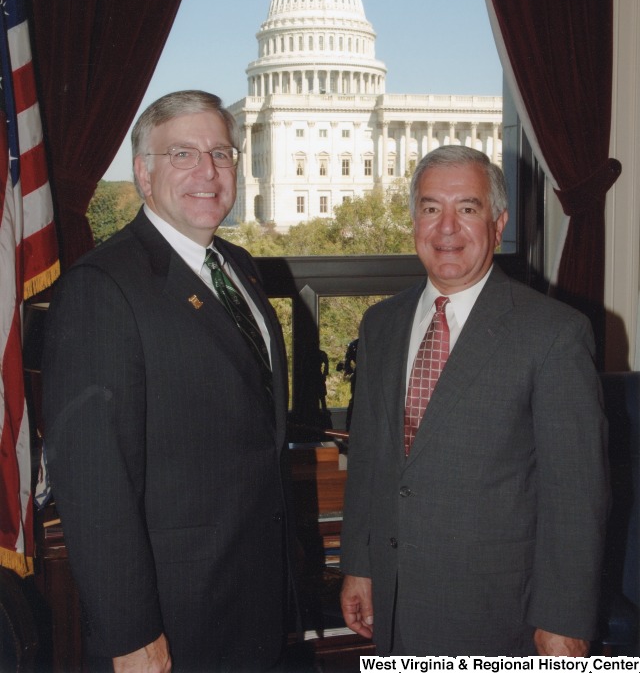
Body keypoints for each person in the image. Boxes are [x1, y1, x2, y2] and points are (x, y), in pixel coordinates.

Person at [42, 91, 293, 672]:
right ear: (143, 173)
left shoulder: (239, 266)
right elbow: (94, 482)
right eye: (183, 154)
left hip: (257, 601)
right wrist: (130, 633)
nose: (208, 172)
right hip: (175, 620)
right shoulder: (103, 288)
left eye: (221, 154)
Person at [339, 146, 609, 657]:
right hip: (395, 601)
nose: (446, 228)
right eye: (430, 207)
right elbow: (372, 462)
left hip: (501, 612)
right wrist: (359, 564)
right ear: (413, 219)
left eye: (467, 208)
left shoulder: (553, 334)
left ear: (498, 221)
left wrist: (564, 620)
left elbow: (577, 495)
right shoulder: (382, 323)